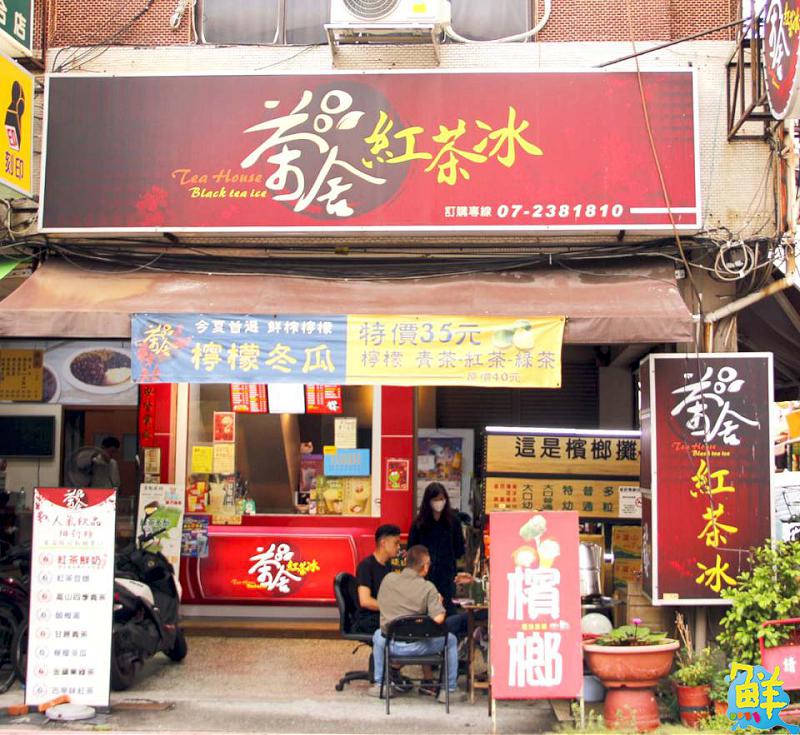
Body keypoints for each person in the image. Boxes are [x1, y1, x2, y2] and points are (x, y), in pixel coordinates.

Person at [369, 545, 465, 704]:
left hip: (390, 644)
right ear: (425, 566)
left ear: (406, 562)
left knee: (378, 635)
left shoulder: (388, 580)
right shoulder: (428, 588)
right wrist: (438, 603)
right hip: (419, 646)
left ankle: (381, 684)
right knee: (452, 640)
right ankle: (449, 689)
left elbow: (382, 603)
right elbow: (439, 619)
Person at [408, 482, 465, 616]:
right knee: (424, 607)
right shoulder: (419, 523)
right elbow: (412, 549)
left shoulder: (453, 522)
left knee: (447, 608)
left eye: (442, 499)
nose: (439, 502)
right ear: (428, 501)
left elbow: (459, 548)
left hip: (447, 573)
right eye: (435, 499)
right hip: (423, 574)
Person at [353, 524, 401, 634]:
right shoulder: (366, 566)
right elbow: (365, 601)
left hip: (383, 615)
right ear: (383, 543)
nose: (399, 547)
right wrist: (392, 608)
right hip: (369, 618)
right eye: (396, 543)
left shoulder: (389, 566)